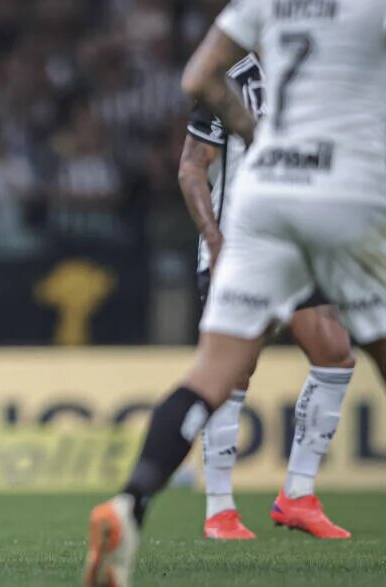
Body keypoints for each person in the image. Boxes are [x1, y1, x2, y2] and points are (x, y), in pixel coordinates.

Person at [85, 0, 386, 585]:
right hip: (342, 197)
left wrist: (260, 138)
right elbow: (191, 161)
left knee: (221, 372)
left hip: (267, 196)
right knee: (291, 362)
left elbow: (197, 77)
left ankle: (131, 502)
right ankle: (222, 506)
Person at [180, 54, 354, 540]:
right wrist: (214, 241)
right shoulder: (229, 81)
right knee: (233, 372)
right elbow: (191, 168)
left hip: (299, 247)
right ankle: (219, 509)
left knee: (335, 353)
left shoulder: (324, 76)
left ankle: (297, 494)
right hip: (239, 247)